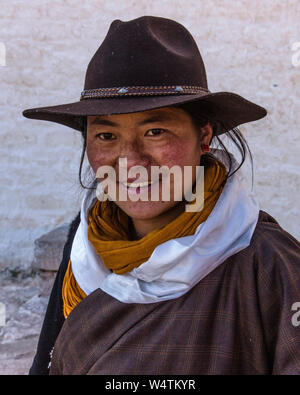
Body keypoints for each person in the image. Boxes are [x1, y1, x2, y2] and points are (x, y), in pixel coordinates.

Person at [22, 16, 300, 375]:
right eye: (106, 136)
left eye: (155, 131)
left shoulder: (269, 264)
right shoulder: (86, 242)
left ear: (204, 137)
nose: (130, 161)